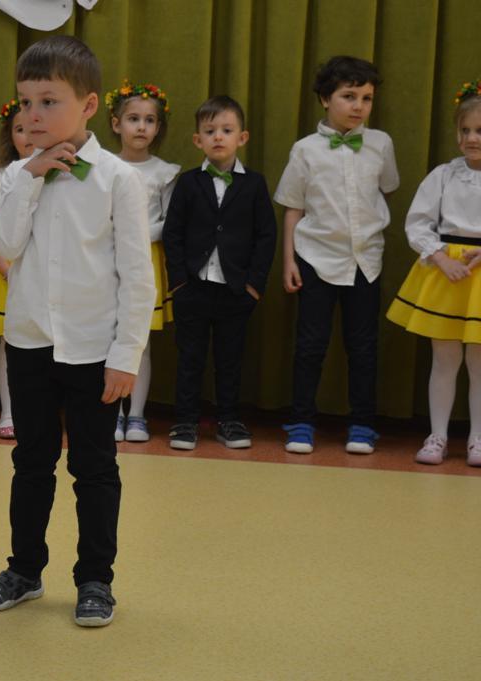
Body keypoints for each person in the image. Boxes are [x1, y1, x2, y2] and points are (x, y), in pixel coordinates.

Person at [0, 35, 155, 628]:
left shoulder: (117, 179)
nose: (33, 115)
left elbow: (137, 276)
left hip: (93, 349)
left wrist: (125, 355)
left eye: (48, 101)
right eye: (26, 102)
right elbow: (1, 245)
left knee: (95, 468)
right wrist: (28, 178)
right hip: (29, 343)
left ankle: (96, 579)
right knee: (31, 462)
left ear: (89, 105)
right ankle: (24, 570)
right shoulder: (14, 175)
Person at [276, 56, 398, 454]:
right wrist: (289, 260)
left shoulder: (381, 144)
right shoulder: (304, 150)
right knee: (310, 345)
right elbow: (293, 208)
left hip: (365, 260)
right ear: (326, 99)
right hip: (316, 258)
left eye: (366, 98)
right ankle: (301, 421)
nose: (358, 106)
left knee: (363, 346)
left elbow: (386, 189)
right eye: (349, 96)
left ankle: (362, 424)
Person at [162, 95, 277, 451]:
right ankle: (185, 421)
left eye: (227, 130)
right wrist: (178, 282)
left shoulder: (254, 184)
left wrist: (254, 285)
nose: (218, 137)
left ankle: (229, 419)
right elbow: (172, 233)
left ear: (242, 137)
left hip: (236, 289)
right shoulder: (187, 183)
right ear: (198, 140)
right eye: (210, 131)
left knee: (230, 359)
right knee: (190, 358)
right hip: (193, 286)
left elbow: (266, 235)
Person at [386, 79, 481, 467]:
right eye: (465, 130)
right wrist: (441, 258)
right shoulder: (444, 175)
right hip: (446, 272)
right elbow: (417, 223)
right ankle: (437, 435)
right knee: (444, 359)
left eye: (480, 130)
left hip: (479, 274)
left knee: (479, 362)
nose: (472, 138)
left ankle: (477, 438)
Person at [106, 80, 180, 442]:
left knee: (140, 340)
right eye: (133, 119)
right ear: (116, 123)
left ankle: (135, 414)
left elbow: (170, 221)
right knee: (107, 335)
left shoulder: (164, 172)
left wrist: (135, 234)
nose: (141, 127)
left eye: (149, 121)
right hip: (106, 258)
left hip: (146, 259)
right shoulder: (105, 166)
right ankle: (110, 413)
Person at [0, 97, 35, 439]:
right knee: (9, 342)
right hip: (9, 272)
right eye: (19, 129)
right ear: (9, 135)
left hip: (44, 271)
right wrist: (8, 273)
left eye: (32, 127)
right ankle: (9, 411)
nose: (27, 135)